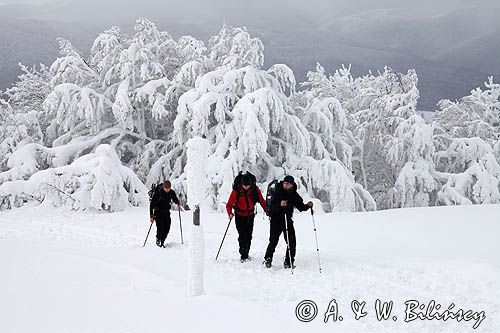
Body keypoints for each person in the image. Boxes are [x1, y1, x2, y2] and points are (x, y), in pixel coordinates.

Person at [264, 175, 313, 269]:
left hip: (288, 220)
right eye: (284, 183)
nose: (285, 185)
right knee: (273, 241)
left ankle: (289, 261)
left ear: (292, 185)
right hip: (276, 220)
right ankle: (268, 258)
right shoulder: (277, 192)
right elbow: (271, 209)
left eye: (287, 184)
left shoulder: (294, 194)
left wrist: (308, 206)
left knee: (292, 242)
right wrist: (280, 204)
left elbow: (300, 207)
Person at [226, 173, 268, 262]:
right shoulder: (236, 191)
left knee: (249, 235)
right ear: (241, 184)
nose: (246, 187)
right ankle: (243, 254)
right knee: (242, 235)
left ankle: (246, 253)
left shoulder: (254, 190)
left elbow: (262, 201)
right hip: (239, 216)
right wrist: (230, 213)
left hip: (250, 216)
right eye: (244, 186)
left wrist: (267, 210)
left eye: (248, 185)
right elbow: (229, 204)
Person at [149, 180, 180, 247]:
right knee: (160, 227)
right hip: (158, 212)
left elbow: (174, 198)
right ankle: (158, 239)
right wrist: (151, 216)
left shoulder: (171, 192)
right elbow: (152, 205)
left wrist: (177, 203)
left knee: (167, 227)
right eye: (166, 188)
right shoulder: (158, 193)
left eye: (168, 188)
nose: (167, 190)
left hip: (166, 212)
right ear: (163, 187)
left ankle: (162, 241)